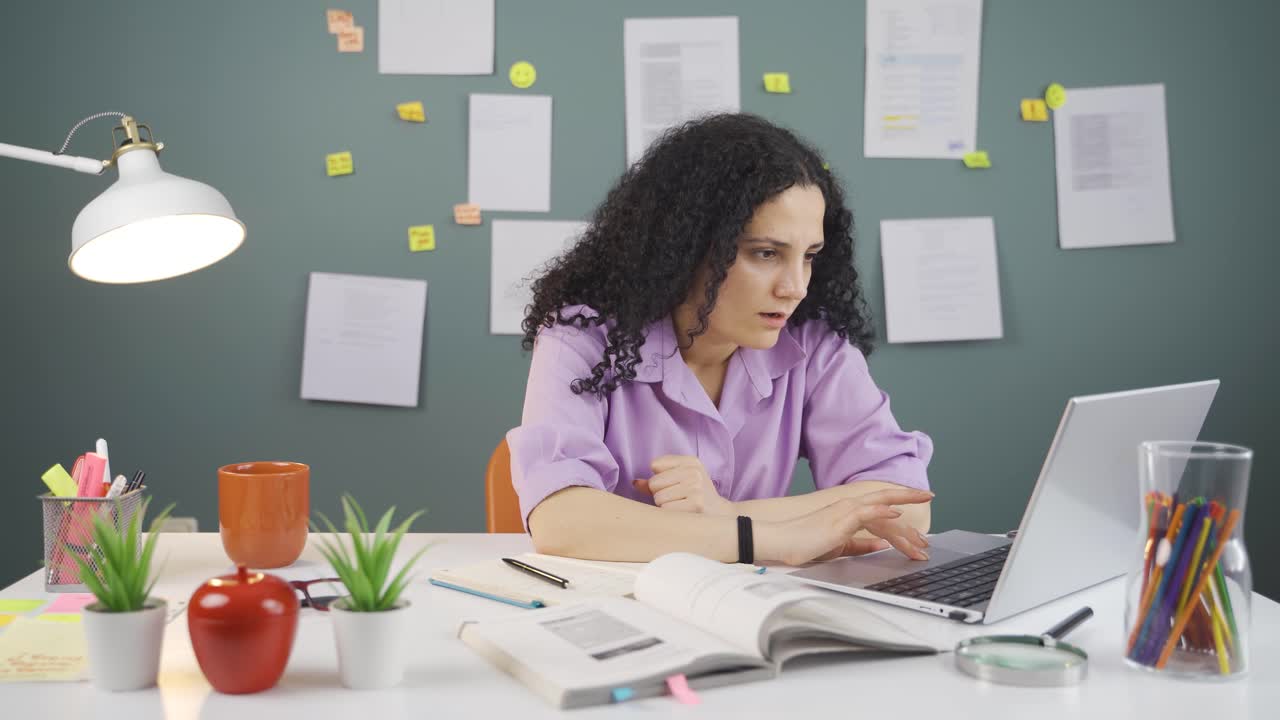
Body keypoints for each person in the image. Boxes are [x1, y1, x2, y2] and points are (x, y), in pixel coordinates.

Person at [507, 113, 934, 567]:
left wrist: (728, 514)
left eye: (808, 257)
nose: (795, 287)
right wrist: (767, 539)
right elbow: (563, 520)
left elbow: (906, 504)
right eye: (765, 254)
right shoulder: (581, 335)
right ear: (687, 247)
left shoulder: (815, 342)